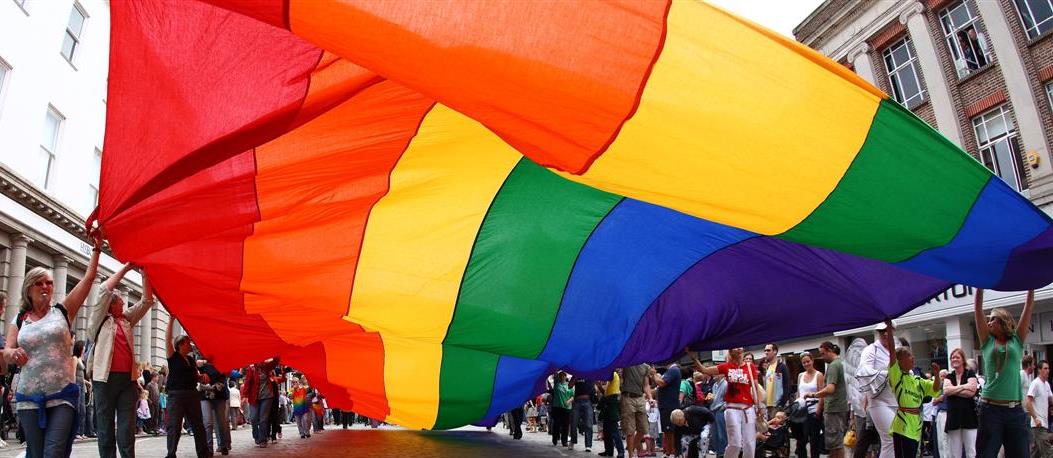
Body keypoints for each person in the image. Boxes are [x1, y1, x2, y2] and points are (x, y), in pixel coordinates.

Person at [5, 240, 100, 458]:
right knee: (36, 453)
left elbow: (88, 279)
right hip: (29, 397)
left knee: (53, 452)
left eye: (49, 282)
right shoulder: (20, 319)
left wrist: (96, 249)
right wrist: (13, 353)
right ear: (29, 288)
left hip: (62, 395)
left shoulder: (62, 312)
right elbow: (7, 351)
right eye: (40, 283)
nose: (46, 287)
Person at [86, 263, 153, 458]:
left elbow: (147, 301)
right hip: (103, 380)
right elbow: (104, 289)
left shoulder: (126, 319)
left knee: (127, 427)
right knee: (106, 426)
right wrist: (126, 268)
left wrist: (145, 274)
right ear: (110, 304)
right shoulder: (99, 319)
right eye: (120, 302)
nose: (124, 304)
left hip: (128, 381)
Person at [975, 289, 1034, 458]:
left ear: (1003, 321)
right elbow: (977, 310)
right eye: (989, 319)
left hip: (1014, 411)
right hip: (990, 409)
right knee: (986, 454)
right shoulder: (987, 340)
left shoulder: (1017, 339)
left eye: (993, 318)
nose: (989, 322)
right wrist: (979, 287)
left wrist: (1031, 286)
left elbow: (1028, 307)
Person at [880, 320, 942, 458]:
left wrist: (937, 375)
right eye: (908, 355)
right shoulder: (897, 376)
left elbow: (935, 388)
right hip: (902, 426)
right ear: (899, 361)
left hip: (916, 425)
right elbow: (891, 351)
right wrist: (889, 329)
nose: (912, 358)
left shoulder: (918, 380)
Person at [695, 348, 763, 458]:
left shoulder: (750, 367)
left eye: (740, 348)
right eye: (735, 348)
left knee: (750, 443)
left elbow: (756, 387)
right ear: (731, 352)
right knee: (735, 443)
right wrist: (694, 357)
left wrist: (759, 406)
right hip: (732, 408)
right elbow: (704, 370)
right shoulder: (726, 366)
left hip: (748, 408)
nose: (739, 350)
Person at [164, 317, 209, 458]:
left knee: (198, 425)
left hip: (191, 394)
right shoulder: (173, 356)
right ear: (181, 344)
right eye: (188, 342)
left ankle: (203, 453)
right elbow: (167, 338)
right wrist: (171, 320)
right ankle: (171, 454)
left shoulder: (190, 360)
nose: (190, 344)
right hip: (176, 395)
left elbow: (195, 376)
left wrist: (202, 377)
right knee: (174, 427)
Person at [856, 321, 898, 458]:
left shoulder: (898, 348)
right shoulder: (870, 350)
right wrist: (887, 375)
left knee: (895, 441)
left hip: (898, 401)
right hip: (879, 401)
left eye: (888, 330)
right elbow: (864, 371)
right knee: (889, 439)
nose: (885, 334)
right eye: (881, 331)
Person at [806, 341, 850, 458]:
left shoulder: (834, 365)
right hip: (840, 407)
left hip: (834, 408)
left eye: (823, 353)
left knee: (835, 444)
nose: (822, 357)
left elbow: (830, 389)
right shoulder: (841, 363)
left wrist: (814, 395)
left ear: (829, 351)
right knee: (835, 443)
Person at [943, 348, 978, 458]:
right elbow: (946, 391)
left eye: (957, 357)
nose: (954, 359)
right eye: (952, 357)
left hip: (969, 417)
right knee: (954, 453)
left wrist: (954, 390)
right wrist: (964, 386)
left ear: (963, 360)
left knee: (971, 452)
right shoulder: (949, 376)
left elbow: (971, 392)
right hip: (954, 418)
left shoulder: (970, 373)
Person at [197, 357, 230, 455]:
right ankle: (209, 448)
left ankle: (223, 445)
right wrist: (206, 362)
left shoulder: (222, 360)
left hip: (219, 394)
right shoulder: (202, 360)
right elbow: (197, 365)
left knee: (221, 422)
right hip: (205, 393)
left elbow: (227, 374)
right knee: (208, 423)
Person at [795, 351, 824, 458]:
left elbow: (822, 394)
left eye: (808, 361)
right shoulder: (800, 376)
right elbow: (798, 394)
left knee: (814, 440)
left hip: (814, 410)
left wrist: (818, 411)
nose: (806, 364)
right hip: (802, 411)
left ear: (812, 361)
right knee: (801, 440)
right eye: (804, 363)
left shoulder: (819, 375)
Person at [651, 363, 682, 457]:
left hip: (669, 405)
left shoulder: (673, 370)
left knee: (670, 430)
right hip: (666, 405)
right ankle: (668, 452)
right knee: (667, 430)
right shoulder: (670, 371)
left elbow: (661, 383)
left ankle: (672, 452)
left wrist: (654, 374)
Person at [620, 364, 651, 458]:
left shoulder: (646, 367)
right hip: (627, 397)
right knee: (630, 429)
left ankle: (631, 449)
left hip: (640, 398)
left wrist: (650, 397)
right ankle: (630, 455)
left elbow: (646, 385)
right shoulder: (628, 361)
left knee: (643, 428)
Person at [1027, 360, 1053, 458]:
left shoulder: (1046, 384)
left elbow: (1051, 399)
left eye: (1048, 368)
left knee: (1035, 453)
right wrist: (1035, 418)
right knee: (1048, 453)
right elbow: (1028, 401)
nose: (1048, 371)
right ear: (1039, 370)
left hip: (1044, 424)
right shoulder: (1035, 383)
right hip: (1038, 425)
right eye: (1045, 368)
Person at [760, 343, 791, 417]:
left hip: (778, 405)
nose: (766, 352)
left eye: (768, 350)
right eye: (765, 351)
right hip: (768, 405)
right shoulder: (768, 368)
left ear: (775, 351)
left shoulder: (782, 367)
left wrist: (781, 404)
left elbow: (787, 386)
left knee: (779, 427)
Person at [599, 371, 625, 457]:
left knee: (614, 431)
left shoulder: (613, 374)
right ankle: (609, 451)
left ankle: (621, 451)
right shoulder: (610, 381)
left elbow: (604, 378)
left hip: (612, 404)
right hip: (608, 404)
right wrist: (599, 386)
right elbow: (605, 393)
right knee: (606, 431)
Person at [570, 376, 595, 451]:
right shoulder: (576, 373)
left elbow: (595, 386)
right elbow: (569, 386)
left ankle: (588, 445)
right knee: (573, 423)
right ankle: (573, 441)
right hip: (577, 401)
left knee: (588, 424)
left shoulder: (590, 373)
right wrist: (575, 377)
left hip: (587, 401)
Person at [551, 371, 573, 447]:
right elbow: (555, 375)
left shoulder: (569, 386)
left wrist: (569, 401)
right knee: (556, 424)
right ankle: (555, 438)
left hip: (567, 408)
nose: (562, 377)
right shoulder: (557, 384)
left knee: (565, 425)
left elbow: (573, 396)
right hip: (557, 407)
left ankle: (564, 441)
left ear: (566, 377)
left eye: (563, 376)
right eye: (561, 376)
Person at [710, 374, 729, 458]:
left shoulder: (726, 384)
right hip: (714, 409)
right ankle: (718, 452)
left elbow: (729, 398)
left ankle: (723, 453)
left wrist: (723, 407)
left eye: (715, 373)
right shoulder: (714, 385)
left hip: (720, 410)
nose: (713, 375)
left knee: (722, 433)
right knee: (715, 433)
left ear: (721, 375)